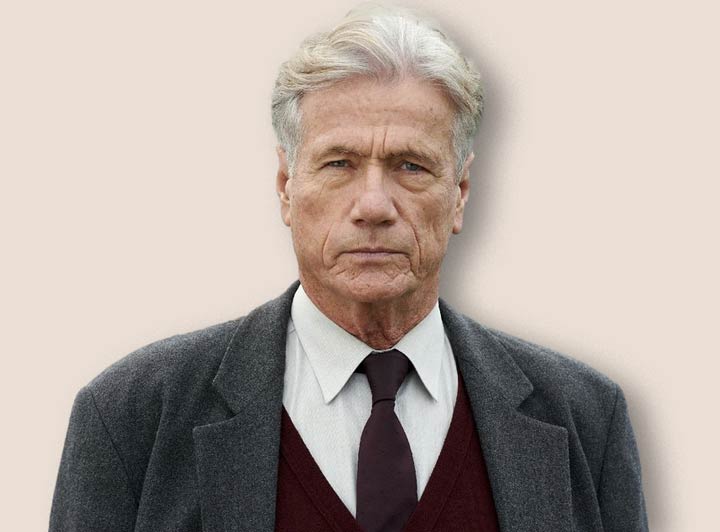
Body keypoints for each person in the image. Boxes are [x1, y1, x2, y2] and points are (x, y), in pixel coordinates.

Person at [50, 5, 648, 532]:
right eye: (338, 164)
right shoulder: (134, 419)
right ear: (286, 187)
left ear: (460, 193)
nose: (373, 205)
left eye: (411, 166)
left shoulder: (583, 420)